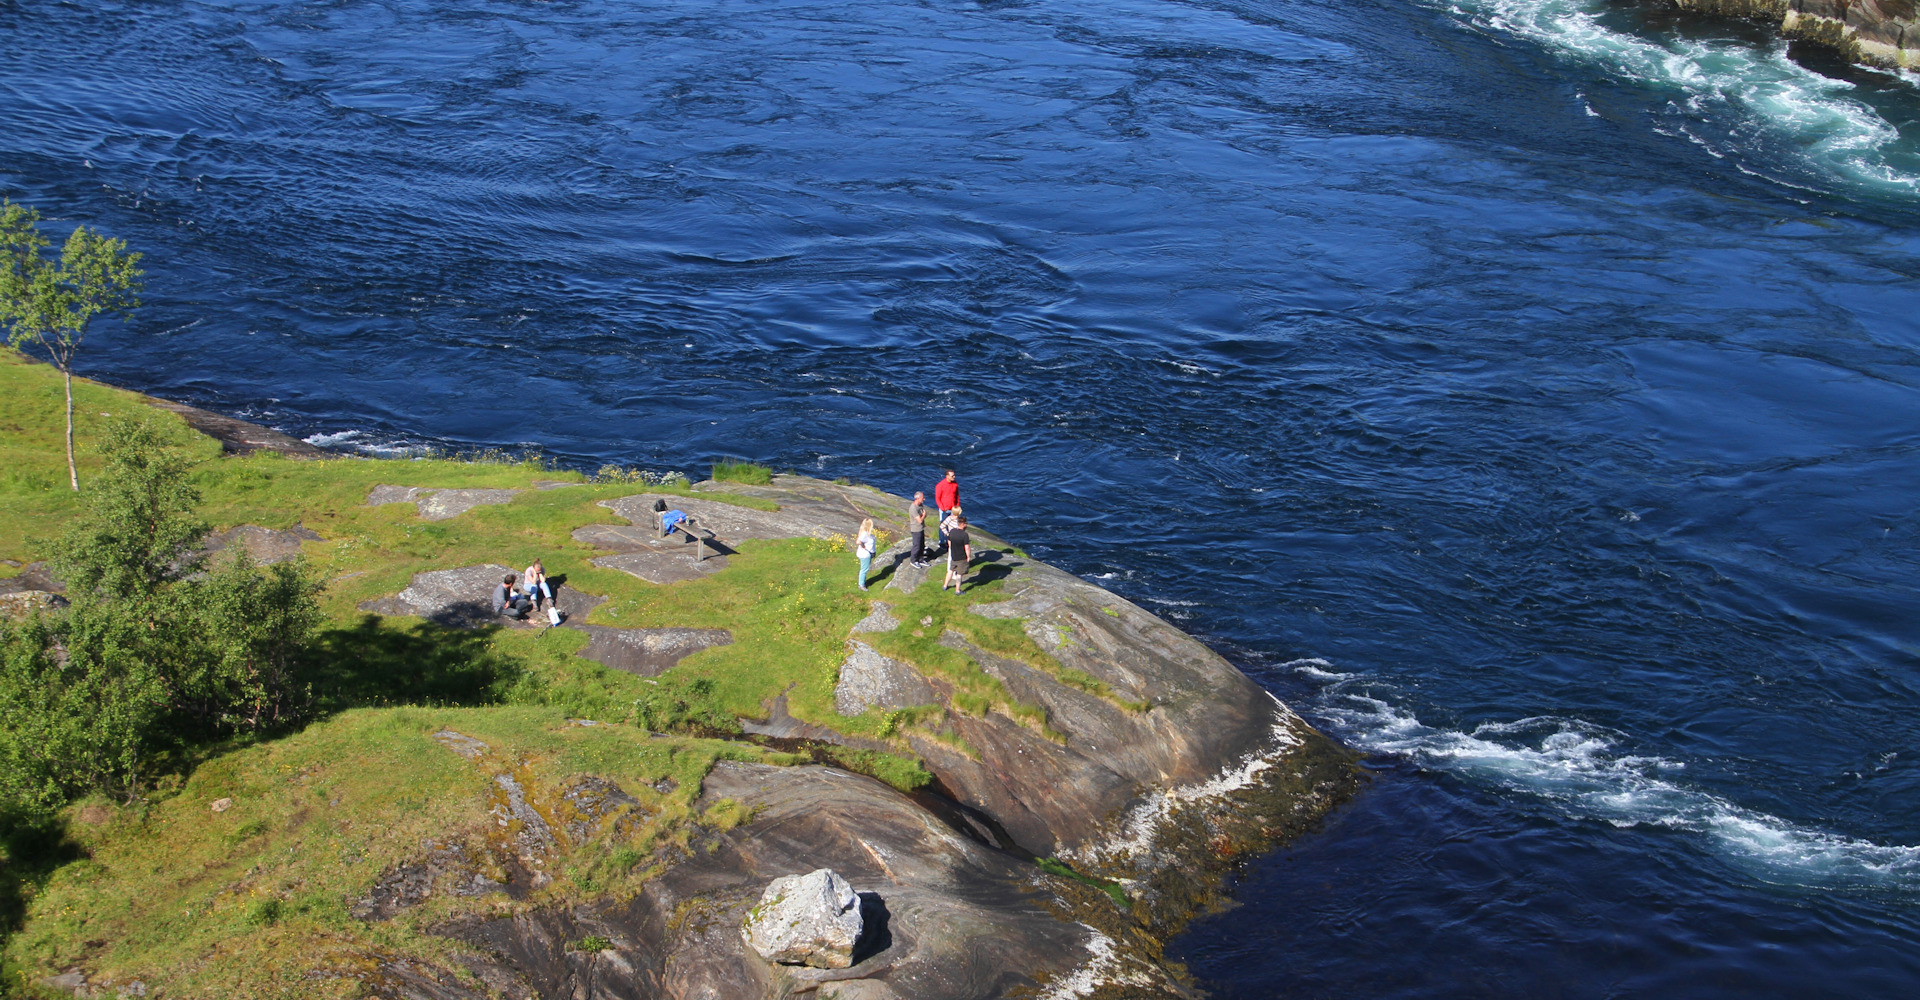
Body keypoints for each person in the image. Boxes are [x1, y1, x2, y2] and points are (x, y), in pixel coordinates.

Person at [943, 515, 972, 594]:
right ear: (962, 524)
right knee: (959, 574)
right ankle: (957, 590)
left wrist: (952, 549)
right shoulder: (964, 535)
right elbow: (967, 548)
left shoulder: (952, 531)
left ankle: (945, 585)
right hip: (962, 558)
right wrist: (968, 557)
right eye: (966, 523)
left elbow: (949, 542)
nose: (966, 525)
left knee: (950, 570)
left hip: (954, 556)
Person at [933, 469, 960, 543]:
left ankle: (950, 541)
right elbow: (937, 498)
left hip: (953, 509)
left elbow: (957, 496)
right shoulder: (940, 485)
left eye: (954, 475)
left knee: (953, 525)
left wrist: (957, 506)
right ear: (947, 476)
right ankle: (941, 541)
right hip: (944, 509)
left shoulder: (955, 484)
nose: (954, 477)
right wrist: (942, 508)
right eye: (952, 476)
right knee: (943, 525)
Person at [855, 518, 876, 591]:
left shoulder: (866, 533)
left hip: (866, 554)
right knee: (864, 570)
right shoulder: (865, 534)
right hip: (865, 554)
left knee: (864, 569)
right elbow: (858, 542)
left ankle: (862, 583)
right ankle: (861, 585)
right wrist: (863, 545)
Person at [908, 491, 929, 567]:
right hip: (916, 529)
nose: (924, 499)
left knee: (922, 545)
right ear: (918, 498)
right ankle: (913, 560)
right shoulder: (913, 508)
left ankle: (920, 559)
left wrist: (924, 515)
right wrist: (924, 515)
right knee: (916, 546)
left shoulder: (920, 505)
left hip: (921, 528)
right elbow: (919, 520)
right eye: (922, 498)